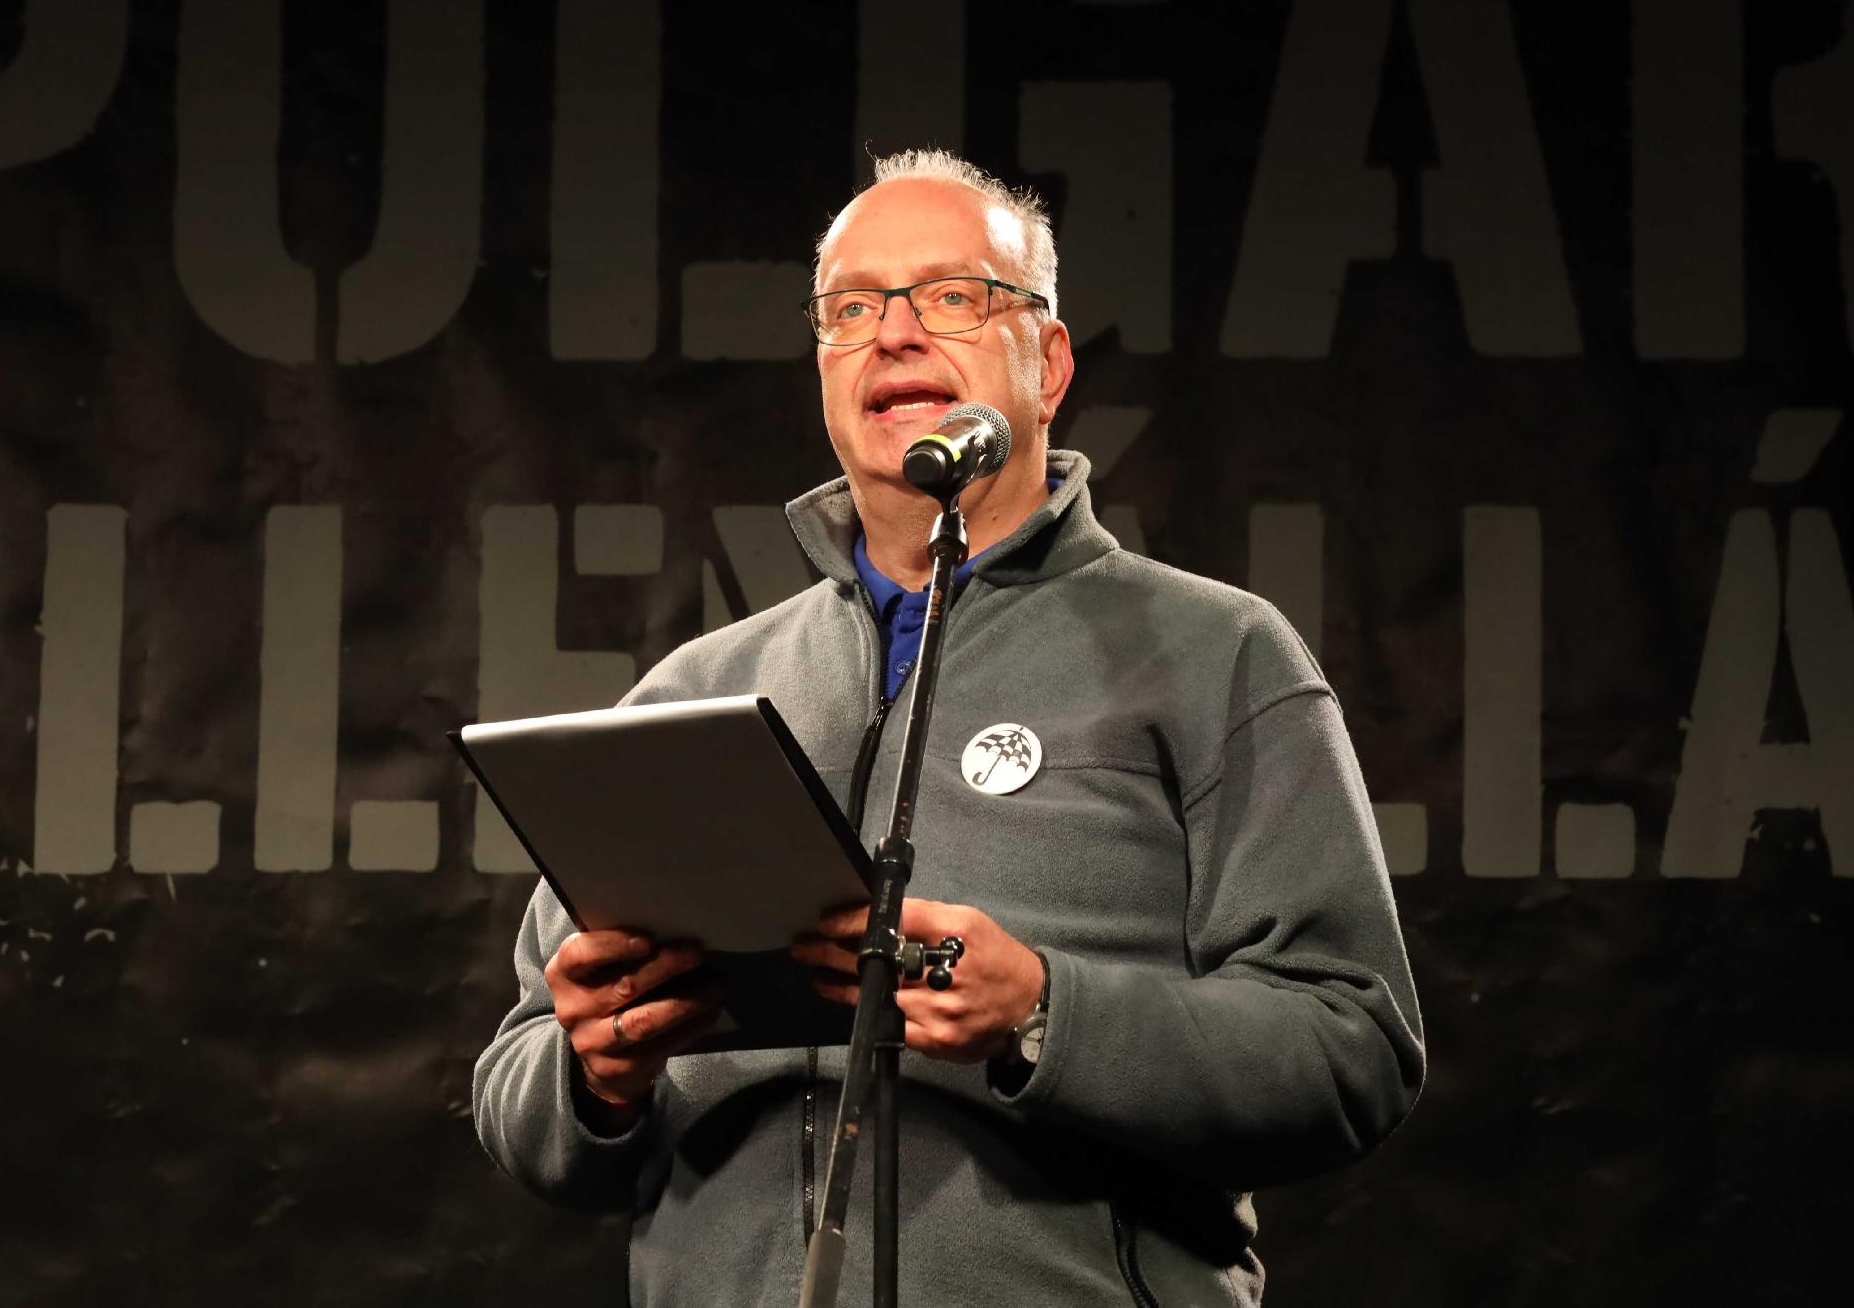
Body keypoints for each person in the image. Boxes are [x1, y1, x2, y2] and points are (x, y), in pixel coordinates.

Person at [473, 149, 1425, 1305]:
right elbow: (521, 1093)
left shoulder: (1210, 654)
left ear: (1047, 362)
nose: (892, 333)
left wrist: (1041, 1013)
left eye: (951, 296)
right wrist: (593, 1071)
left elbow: (1350, 1050)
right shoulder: (693, 694)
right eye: (850, 308)